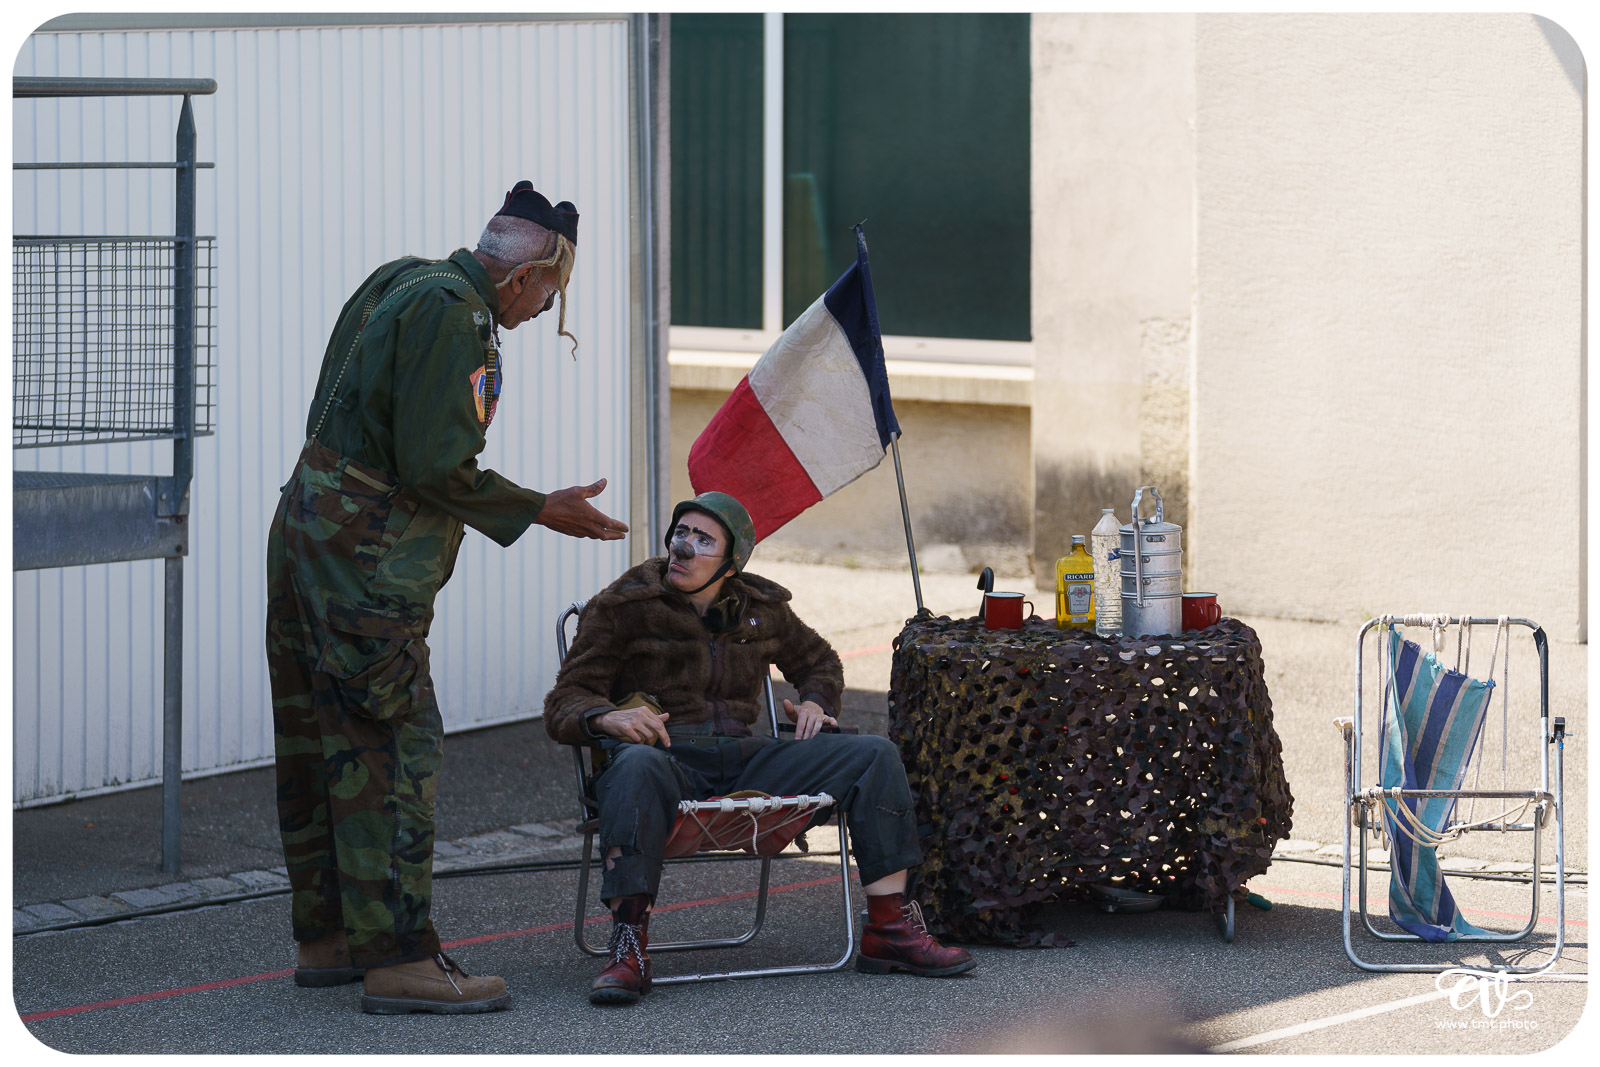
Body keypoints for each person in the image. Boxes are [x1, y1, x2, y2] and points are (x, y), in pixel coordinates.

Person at [265, 181, 627, 1015]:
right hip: (365, 559)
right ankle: (399, 956)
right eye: (551, 294)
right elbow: (435, 466)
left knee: (322, 733)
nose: (543, 312)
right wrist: (543, 508)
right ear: (524, 278)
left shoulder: (402, 276)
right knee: (395, 742)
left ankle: (330, 936)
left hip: (307, 528)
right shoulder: (460, 316)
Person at [544, 491, 975, 1006]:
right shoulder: (625, 607)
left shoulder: (761, 610)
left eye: (703, 539)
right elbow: (565, 700)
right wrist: (607, 715)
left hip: (746, 758)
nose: (683, 547)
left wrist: (817, 700)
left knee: (874, 755)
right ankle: (629, 942)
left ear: (732, 561)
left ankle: (890, 929)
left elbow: (820, 661)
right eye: (680, 533)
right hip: (665, 759)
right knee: (634, 764)